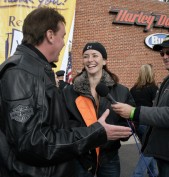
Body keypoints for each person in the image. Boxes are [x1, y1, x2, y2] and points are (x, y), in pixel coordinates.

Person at [0, 7, 132, 177]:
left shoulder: (36, 69)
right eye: (62, 36)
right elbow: (32, 143)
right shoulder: (21, 72)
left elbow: (52, 127)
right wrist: (95, 132)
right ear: (50, 35)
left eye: (95, 56)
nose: (63, 43)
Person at [62, 42, 135, 177]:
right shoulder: (69, 92)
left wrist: (122, 132)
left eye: (95, 55)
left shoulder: (122, 91)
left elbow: (130, 123)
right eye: (86, 56)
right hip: (81, 157)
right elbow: (64, 124)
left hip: (109, 157)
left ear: (104, 61)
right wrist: (91, 132)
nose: (90, 60)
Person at [111, 34, 169, 177]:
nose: (164, 56)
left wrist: (134, 113)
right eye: (162, 53)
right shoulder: (168, 79)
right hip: (164, 153)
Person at [130, 64, 158, 177]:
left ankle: (154, 173)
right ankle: (137, 174)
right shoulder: (153, 89)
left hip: (137, 124)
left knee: (149, 149)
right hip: (149, 124)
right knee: (149, 150)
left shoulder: (133, 89)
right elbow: (157, 108)